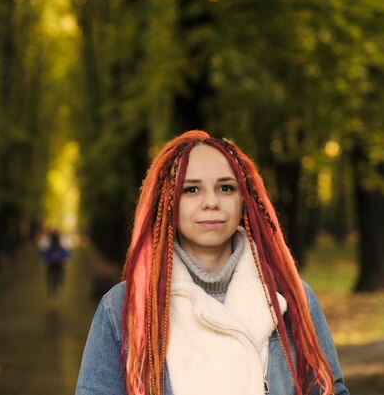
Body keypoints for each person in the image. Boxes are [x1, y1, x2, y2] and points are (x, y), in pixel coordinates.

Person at [75, 130, 348, 395]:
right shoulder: (124, 307)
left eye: (226, 188)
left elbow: (329, 389)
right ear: (167, 202)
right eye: (191, 189)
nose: (211, 202)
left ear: (244, 200)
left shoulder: (292, 299)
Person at [40, 229, 70, 298]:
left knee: (53, 276)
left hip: (54, 262)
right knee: (55, 276)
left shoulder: (50, 241)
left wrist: (44, 260)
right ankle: (54, 289)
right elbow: (66, 251)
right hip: (54, 262)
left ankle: (53, 290)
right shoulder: (57, 241)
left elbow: (44, 250)